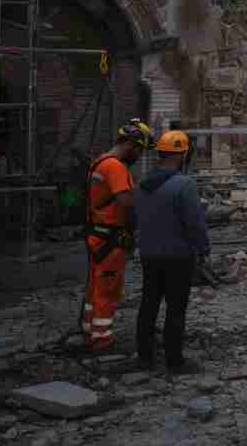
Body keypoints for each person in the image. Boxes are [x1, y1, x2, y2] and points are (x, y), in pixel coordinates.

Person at [134, 129, 210, 374]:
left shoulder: (144, 183)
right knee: (176, 308)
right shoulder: (184, 185)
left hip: (149, 254)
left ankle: (144, 357)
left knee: (149, 304)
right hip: (178, 256)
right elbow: (194, 222)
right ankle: (174, 361)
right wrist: (203, 249)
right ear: (182, 155)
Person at [83, 118, 155, 351]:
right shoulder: (115, 167)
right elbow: (127, 203)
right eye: (139, 150)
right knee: (108, 290)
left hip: (98, 235)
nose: (139, 156)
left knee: (95, 287)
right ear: (130, 144)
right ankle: (101, 339)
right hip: (112, 238)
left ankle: (89, 330)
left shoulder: (99, 162)